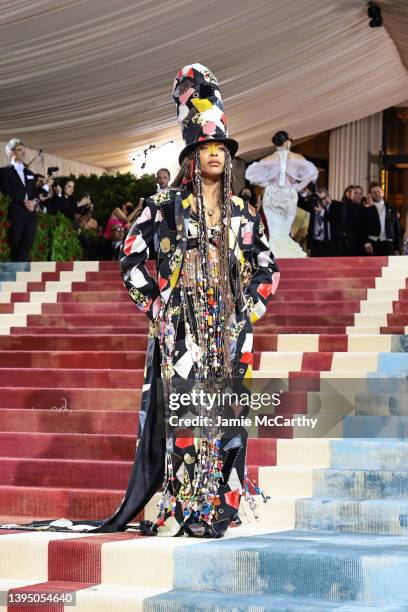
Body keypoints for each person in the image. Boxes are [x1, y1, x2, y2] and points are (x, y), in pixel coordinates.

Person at [0, 63, 280, 539]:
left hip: (232, 332)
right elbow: (129, 259)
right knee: (187, 416)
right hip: (183, 329)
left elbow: (268, 267)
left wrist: (247, 308)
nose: (216, 155)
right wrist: (157, 306)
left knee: (230, 415)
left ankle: (222, 506)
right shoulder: (164, 205)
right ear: (192, 153)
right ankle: (184, 507)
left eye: (222, 149)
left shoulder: (242, 213)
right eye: (207, 147)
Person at [245, 130, 318, 258]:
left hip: (272, 195)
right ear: (287, 142)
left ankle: (276, 260)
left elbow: (250, 173)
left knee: (275, 232)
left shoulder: (270, 158)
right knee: (283, 232)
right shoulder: (296, 157)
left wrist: (267, 184)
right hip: (289, 196)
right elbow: (312, 172)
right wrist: (297, 187)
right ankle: (285, 259)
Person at [0, 138, 38, 261]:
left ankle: (19, 267)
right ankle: (17, 269)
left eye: (24, 149)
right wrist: (24, 201)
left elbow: (35, 192)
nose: (23, 152)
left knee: (29, 238)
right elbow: (6, 190)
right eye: (20, 149)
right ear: (11, 152)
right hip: (16, 209)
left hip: (31, 211)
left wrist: (34, 202)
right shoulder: (3, 172)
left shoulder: (30, 173)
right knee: (16, 241)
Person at [302, 187, 344, 257]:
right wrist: (304, 192)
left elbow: (339, 220)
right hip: (316, 245)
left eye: (321, 199)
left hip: (331, 246)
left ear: (328, 197)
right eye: (318, 200)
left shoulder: (338, 206)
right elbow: (300, 203)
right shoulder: (313, 206)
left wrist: (322, 212)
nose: (319, 202)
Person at [362, 182, 401, 256]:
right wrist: (366, 243)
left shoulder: (392, 209)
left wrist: (397, 248)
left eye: (378, 191)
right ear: (370, 195)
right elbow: (363, 228)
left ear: (382, 193)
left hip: (388, 243)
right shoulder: (367, 211)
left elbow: (397, 230)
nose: (376, 194)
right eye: (373, 192)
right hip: (373, 244)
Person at [342, 185, 365, 256]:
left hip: (362, 245)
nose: (358, 195)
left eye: (360, 193)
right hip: (348, 244)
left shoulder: (366, 209)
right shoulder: (345, 207)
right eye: (356, 193)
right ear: (352, 194)